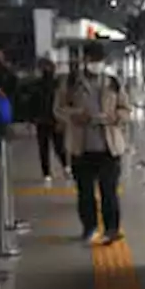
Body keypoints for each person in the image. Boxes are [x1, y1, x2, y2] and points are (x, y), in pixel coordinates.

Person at [54, 42, 131, 245]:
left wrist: (114, 117)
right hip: (81, 147)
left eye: (99, 60)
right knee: (85, 192)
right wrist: (75, 116)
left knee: (109, 191)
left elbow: (126, 109)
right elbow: (59, 108)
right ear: (84, 60)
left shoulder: (113, 82)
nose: (95, 64)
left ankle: (112, 229)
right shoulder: (70, 82)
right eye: (92, 60)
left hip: (110, 147)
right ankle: (89, 228)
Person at [30, 58, 68, 183]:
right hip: (48, 119)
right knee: (52, 146)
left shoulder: (41, 85)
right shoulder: (56, 84)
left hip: (48, 119)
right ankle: (55, 170)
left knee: (54, 146)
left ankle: (53, 171)